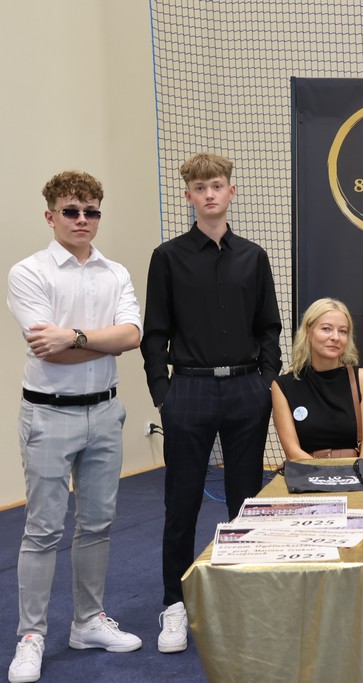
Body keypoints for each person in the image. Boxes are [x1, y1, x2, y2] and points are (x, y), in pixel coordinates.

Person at [141, 153, 282, 654]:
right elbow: (154, 333)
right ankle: (174, 604)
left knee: (246, 498)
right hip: (189, 391)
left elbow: (269, 327)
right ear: (189, 196)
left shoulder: (254, 257)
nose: (209, 194)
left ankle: (239, 592)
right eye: (200, 188)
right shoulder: (168, 257)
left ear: (231, 191)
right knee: (181, 502)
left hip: (246, 390)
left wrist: (265, 382)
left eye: (217, 185)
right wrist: (164, 394)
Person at [7, 171, 143, 683]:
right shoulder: (29, 272)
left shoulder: (116, 273)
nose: (82, 219)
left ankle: (87, 622)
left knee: (98, 523)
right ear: (50, 216)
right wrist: (100, 341)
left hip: (105, 412)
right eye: (71, 211)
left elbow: (132, 336)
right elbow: (50, 351)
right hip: (48, 413)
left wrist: (77, 336)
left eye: (91, 211)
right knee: (43, 529)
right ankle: (31, 636)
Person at [272, 298, 363, 460]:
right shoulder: (283, 386)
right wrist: (323, 473)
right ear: (308, 331)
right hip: (307, 472)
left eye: (343, 331)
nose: (336, 337)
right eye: (326, 329)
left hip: (355, 471)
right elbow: (292, 452)